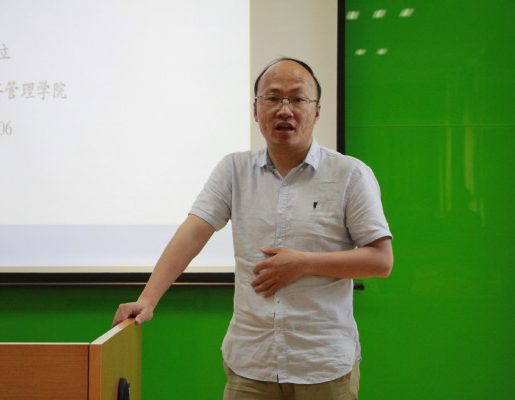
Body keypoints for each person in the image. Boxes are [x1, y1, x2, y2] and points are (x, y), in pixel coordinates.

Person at [113, 57, 393, 400]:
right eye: (272, 98)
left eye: (297, 98)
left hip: (322, 363)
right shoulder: (234, 170)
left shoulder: (350, 175)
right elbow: (193, 232)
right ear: (256, 110)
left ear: (317, 111)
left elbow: (380, 260)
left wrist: (303, 263)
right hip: (251, 363)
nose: (284, 109)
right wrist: (147, 299)